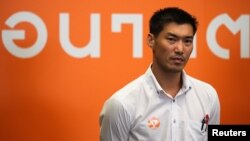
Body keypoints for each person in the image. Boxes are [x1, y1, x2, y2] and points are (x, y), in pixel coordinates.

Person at [99, 7, 220, 141]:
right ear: (151, 40)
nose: (180, 49)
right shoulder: (121, 104)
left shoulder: (208, 96)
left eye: (187, 41)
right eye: (171, 39)